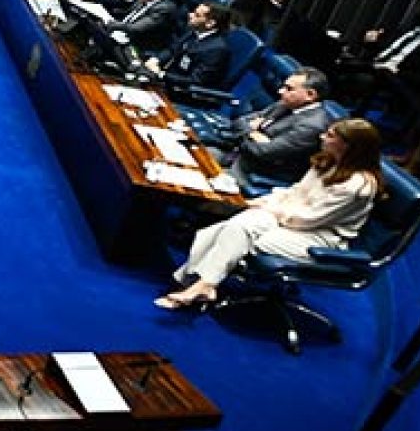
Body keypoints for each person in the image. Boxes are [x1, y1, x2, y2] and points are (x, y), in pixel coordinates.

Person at [159, 119, 382, 310]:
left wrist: (269, 210)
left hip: (317, 237)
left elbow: (309, 219)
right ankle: (203, 285)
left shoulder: (357, 186)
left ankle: (193, 281)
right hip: (288, 220)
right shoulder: (327, 161)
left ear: (349, 146)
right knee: (236, 226)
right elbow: (295, 192)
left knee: (236, 232)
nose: (323, 136)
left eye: (331, 135)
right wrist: (265, 202)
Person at [222, 67, 333, 187]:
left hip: (253, 173)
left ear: (310, 95)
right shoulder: (287, 102)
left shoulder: (312, 126)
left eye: (289, 88)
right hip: (235, 153)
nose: (280, 91)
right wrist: (253, 134)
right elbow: (240, 120)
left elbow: (262, 152)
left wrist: (250, 131)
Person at [146, 2, 235, 88]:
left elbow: (195, 80)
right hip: (167, 78)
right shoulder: (195, 31)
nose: (190, 15)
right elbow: (173, 49)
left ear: (210, 23)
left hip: (181, 90)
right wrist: (156, 60)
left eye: (197, 15)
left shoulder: (216, 49)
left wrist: (162, 74)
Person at [102, 0, 178, 55]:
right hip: (122, 35)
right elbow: (127, 12)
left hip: (138, 48)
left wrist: (113, 24)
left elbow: (136, 28)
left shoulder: (165, 8)